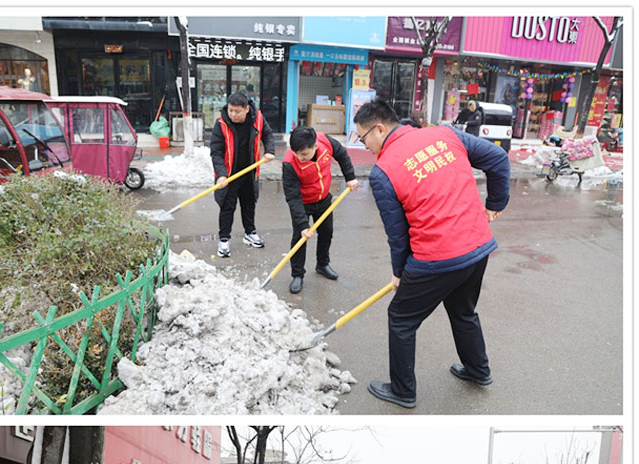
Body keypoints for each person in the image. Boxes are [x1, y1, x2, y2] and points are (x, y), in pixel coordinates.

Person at [353, 98, 510, 409]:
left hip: (437, 257)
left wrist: (400, 272)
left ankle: (402, 390)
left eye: (362, 137)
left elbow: (397, 234)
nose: (364, 144)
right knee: (463, 310)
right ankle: (479, 370)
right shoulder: (444, 135)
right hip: (477, 247)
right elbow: (498, 160)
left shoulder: (383, 172)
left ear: (380, 129)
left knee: (401, 319)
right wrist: (495, 203)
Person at [282, 125, 359, 294]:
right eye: (296, 153)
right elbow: (293, 197)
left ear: (315, 146)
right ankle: (297, 274)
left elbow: (342, 155)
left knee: (326, 232)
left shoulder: (325, 142)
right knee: (299, 239)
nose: (299, 157)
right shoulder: (289, 163)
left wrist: (350, 177)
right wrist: (303, 225)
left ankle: (322, 264)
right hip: (302, 203)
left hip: (324, 199)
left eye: (303, 154)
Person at [209, 92, 275, 258]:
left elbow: (267, 134)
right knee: (227, 207)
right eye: (230, 110)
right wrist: (221, 175)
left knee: (249, 203)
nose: (233, 114)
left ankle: (250, 233)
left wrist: (269, 151)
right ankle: (224, 240)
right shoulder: (221, 124)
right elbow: (216, 153)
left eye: (237, 111)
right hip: (229, 175)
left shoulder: (257, 119)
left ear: (246, 109)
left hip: (249, 171)